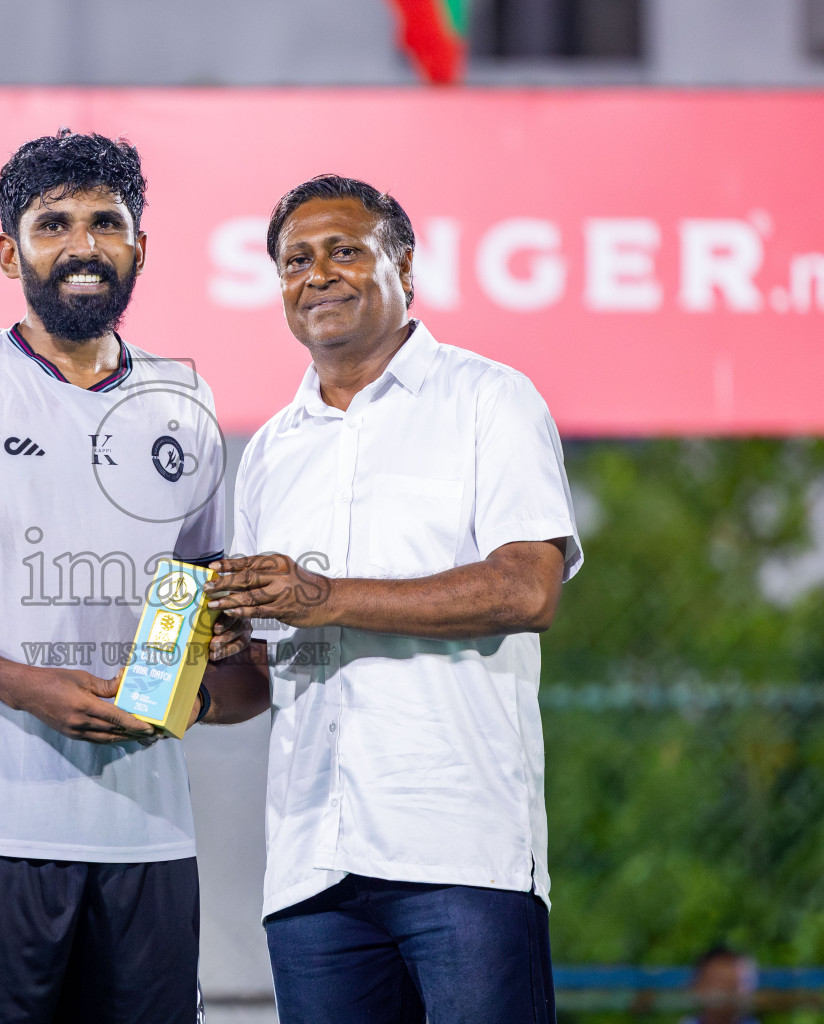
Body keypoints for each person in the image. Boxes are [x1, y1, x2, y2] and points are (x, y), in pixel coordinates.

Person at [0, 129, 269, 1024]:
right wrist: (31, 688)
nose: (83, 245)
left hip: (149, 842)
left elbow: (199, 632)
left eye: (107, 222)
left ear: (139, 248)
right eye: (54, 224)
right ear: (10, 251)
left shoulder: (184, 403)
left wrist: (200, 678)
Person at [207, 175, 584, 1024]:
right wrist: (191, 676)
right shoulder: (270, 451)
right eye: (295, 260)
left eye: (346, 249)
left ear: (404, 269)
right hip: (311, 866)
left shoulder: (490, 398)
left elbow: (527, 588)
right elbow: (260, 677)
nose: (319, 274)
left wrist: (324, 595)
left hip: (460, 850)